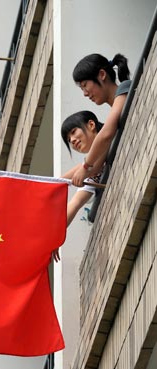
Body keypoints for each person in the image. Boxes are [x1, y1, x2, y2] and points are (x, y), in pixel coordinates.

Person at [71, 53, 131, 187]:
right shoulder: (116, 116)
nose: (85, 94)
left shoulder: (125, 88)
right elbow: (97, 165)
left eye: (85, 85)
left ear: (102, 74)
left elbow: (105, 134)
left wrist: (85, 167)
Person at [53, 111, 103, 262]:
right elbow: (74, 204)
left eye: (74, 132)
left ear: (91, 125)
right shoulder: (90, 172)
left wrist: (55, 183)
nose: (72, 140)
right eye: (69, 139)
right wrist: (54, 237)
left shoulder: (110, 133)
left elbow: (93, 164)